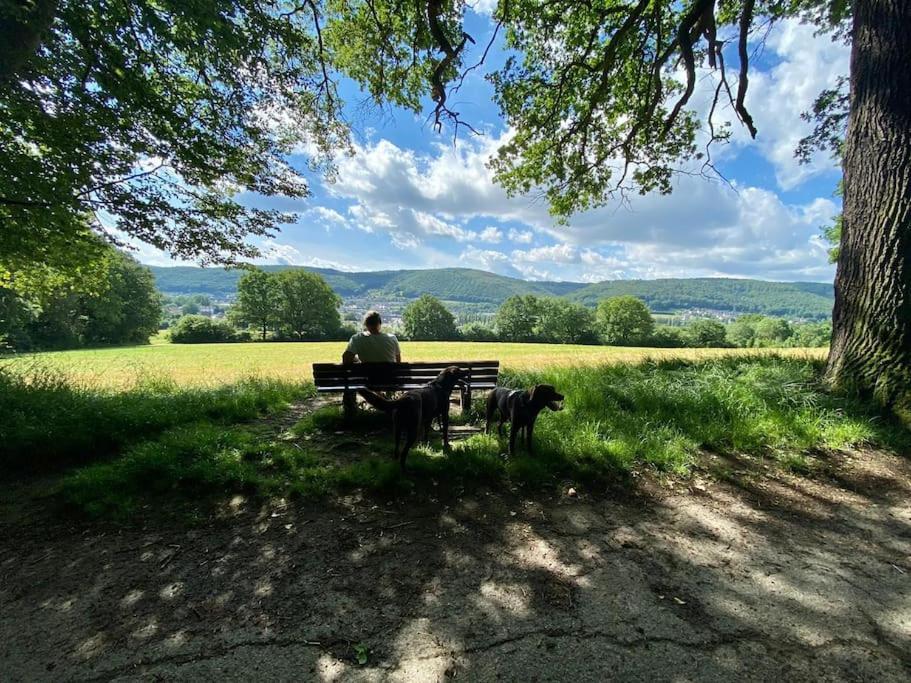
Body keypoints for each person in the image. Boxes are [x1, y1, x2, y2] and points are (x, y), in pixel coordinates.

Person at [341, 311, 401, 413]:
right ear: (380, 324)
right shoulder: (392, 338)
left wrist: (358, 361)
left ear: (366, 325)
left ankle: (350, 410)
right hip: (389, 379)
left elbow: (346, 359)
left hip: (368, 381)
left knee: (354, 377)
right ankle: (385, 399)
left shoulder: (357, 339)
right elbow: (398, 362)